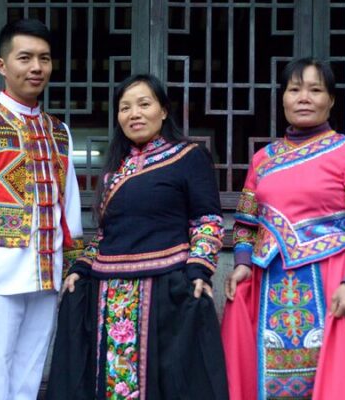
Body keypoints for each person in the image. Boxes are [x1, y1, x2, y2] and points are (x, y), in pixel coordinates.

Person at [46, 74, 229, 400]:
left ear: (163, 111)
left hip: (165, 289)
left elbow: (207, 220)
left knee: (170, 382)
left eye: (144, 104)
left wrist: (200, 268)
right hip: (109, 291)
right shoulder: (115, 169)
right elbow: (106, 233)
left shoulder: (189, 156)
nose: (135, 114)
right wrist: (81, 268)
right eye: (125, 108)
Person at [222, 57, 345, 400]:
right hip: (267, 284)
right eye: (294, 90)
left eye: (315, 90)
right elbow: (245, 225)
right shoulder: (263, 159)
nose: (304, 98)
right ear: (283, 98)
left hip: (331, 282)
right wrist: (242, 263)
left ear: (331, 100)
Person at [0, 18, 84, 400]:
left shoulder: (59, 130)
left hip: (46, 274)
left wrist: (73, 269)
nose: (36, 67)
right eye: (25, 58)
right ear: (2, 64)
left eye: (44, 58)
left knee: (28, 380)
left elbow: (69, 205)